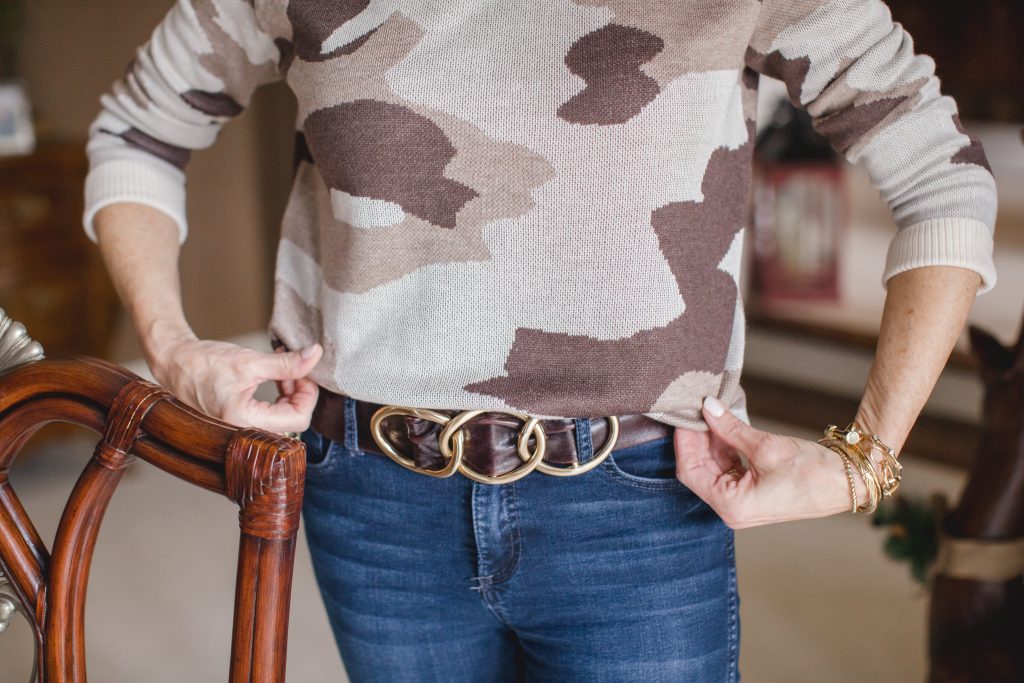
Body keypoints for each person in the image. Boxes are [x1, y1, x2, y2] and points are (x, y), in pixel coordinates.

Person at [84, 1, 997, 681]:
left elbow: (941, 174)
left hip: (643, 506)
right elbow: (138, 127)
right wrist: (169, 345)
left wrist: (866, 457)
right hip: (372, 501)